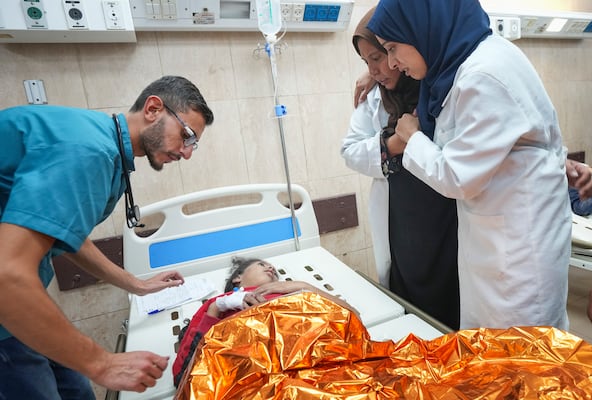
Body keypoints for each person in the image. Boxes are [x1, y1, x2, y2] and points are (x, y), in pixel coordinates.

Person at [0, 75, 214, 399]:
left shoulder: (103, 147)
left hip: (15, 301)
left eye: (193, 144)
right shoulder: (87, 150)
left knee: (76, 390)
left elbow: (66, 232)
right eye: (186, 136)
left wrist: (136, 284)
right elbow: (8, 276)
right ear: (154, 109)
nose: (187, 153)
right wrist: (103, 364)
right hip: (9, 307)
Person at [366, 0, 575, 330]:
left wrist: (411, 136)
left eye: (392, 49)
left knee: (520, 358)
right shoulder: (461, 65)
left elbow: (458, 177)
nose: (392, 63)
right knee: (495, 354)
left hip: (518, 252)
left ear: (423, 27)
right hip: (496, 238)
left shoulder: (482, 75)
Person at [341, 8, 459, 330]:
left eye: (381, 55)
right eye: (366, 62)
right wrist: (394, 143)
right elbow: (349, 151)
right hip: (402, 219)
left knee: (453, 302)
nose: (378, 69)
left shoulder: (440, 82)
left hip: (447, 214)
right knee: (409, 304)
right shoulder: (375, 98)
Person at [173, 256, 359, 387]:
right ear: (237, 277)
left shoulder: (293, 292)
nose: (271, 268)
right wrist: (218, 306)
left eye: (274, 270)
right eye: (262, 264)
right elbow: (185, 373)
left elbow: (353, 316)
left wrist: (303, 286)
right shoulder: (223, 303)